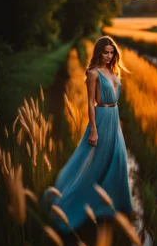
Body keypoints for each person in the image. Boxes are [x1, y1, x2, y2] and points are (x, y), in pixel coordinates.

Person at [44, 36, 133, 232]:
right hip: (101, 119)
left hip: (114, 118)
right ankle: (72, 206)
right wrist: (93, 130)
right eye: (105, 52)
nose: (109, 56)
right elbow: (90, 104)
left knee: (117, 161)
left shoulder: (113, 71)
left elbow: (115, 100)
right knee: (95, 165)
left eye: (111, 52)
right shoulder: (93, 73)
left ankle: (112, 208)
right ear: (98, 52)